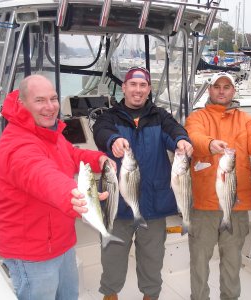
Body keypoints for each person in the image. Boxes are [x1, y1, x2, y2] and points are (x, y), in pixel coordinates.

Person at [0, 74, 113, 300]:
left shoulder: (49, 133)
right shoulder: (16, 143)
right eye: (39, 100)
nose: (50, 107)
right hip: (32, 253)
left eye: (54, 98)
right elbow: (42, 176)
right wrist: (73, 195)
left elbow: (73, 154)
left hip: (61, 243)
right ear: (22, 103)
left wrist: (100, 160)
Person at [90, 66, 193, 300]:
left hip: (154, 206)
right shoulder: (109, 117)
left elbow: (174, 130)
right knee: (112, 259)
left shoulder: (160, 116)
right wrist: (113, 140)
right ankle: (110, 295)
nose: (138, 90)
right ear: (124, 87)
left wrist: (182, 141)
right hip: (117, 206)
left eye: (143, 85)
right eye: (133, 85)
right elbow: (101, 132)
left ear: (148, 89)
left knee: (152, 261)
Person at [184, 72, 251, 300]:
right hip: (203, 205)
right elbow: (192, 137)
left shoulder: (246, 119)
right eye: (217, 86)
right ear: (209, 90)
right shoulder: (197, 118)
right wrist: (209, 143)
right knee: (199, 261)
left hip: (236, 205)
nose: (222, 90)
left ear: (233, 91)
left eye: (227, 87)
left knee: (232, 262)